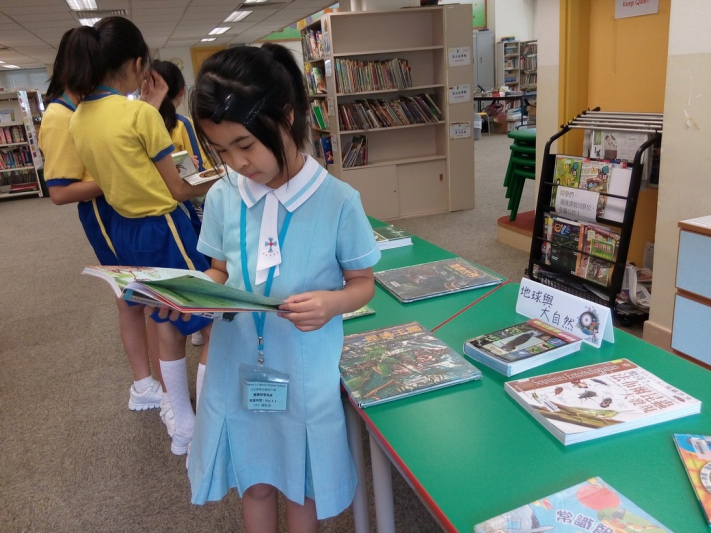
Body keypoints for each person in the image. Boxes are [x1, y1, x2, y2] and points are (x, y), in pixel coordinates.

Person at [186, 44, 380, 532]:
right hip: (236, 362)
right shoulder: (223, 195)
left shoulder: (338, 200)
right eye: (222, 151)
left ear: (286, 117)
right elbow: (219, 270)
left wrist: (332, 303)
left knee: (301, 483)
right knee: (254, 481)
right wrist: (193, 293)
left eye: (245, 144)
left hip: (304, 364)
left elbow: (363, 284)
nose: (237, 162)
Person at [62, 17, 216, 455]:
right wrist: (221, 178)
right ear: (136, 64)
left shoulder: (79, 118)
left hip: (124, 232)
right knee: (214, 317)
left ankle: (182, 426)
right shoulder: (141, 115)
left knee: (163, 318)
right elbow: (179, 189)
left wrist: (150, 105)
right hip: (165, 227)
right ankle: (209, 420)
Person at [38, 28, 168, 423]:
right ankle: (152, 387)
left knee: (139, 298)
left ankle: (152, 385)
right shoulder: (61, 116)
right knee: (138, 299)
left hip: (121, 209)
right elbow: (59, 191)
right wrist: (121, 173)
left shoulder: (89, 107)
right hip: (106, 216)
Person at [151, 58, 212, 405]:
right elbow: (196, 170)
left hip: (146, 224)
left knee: (164, 312)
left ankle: (176, 411)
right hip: (180, 214)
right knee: (204, 297)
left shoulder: (131, 123)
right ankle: (200, 412)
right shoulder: (179, 124)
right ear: (179, 92)